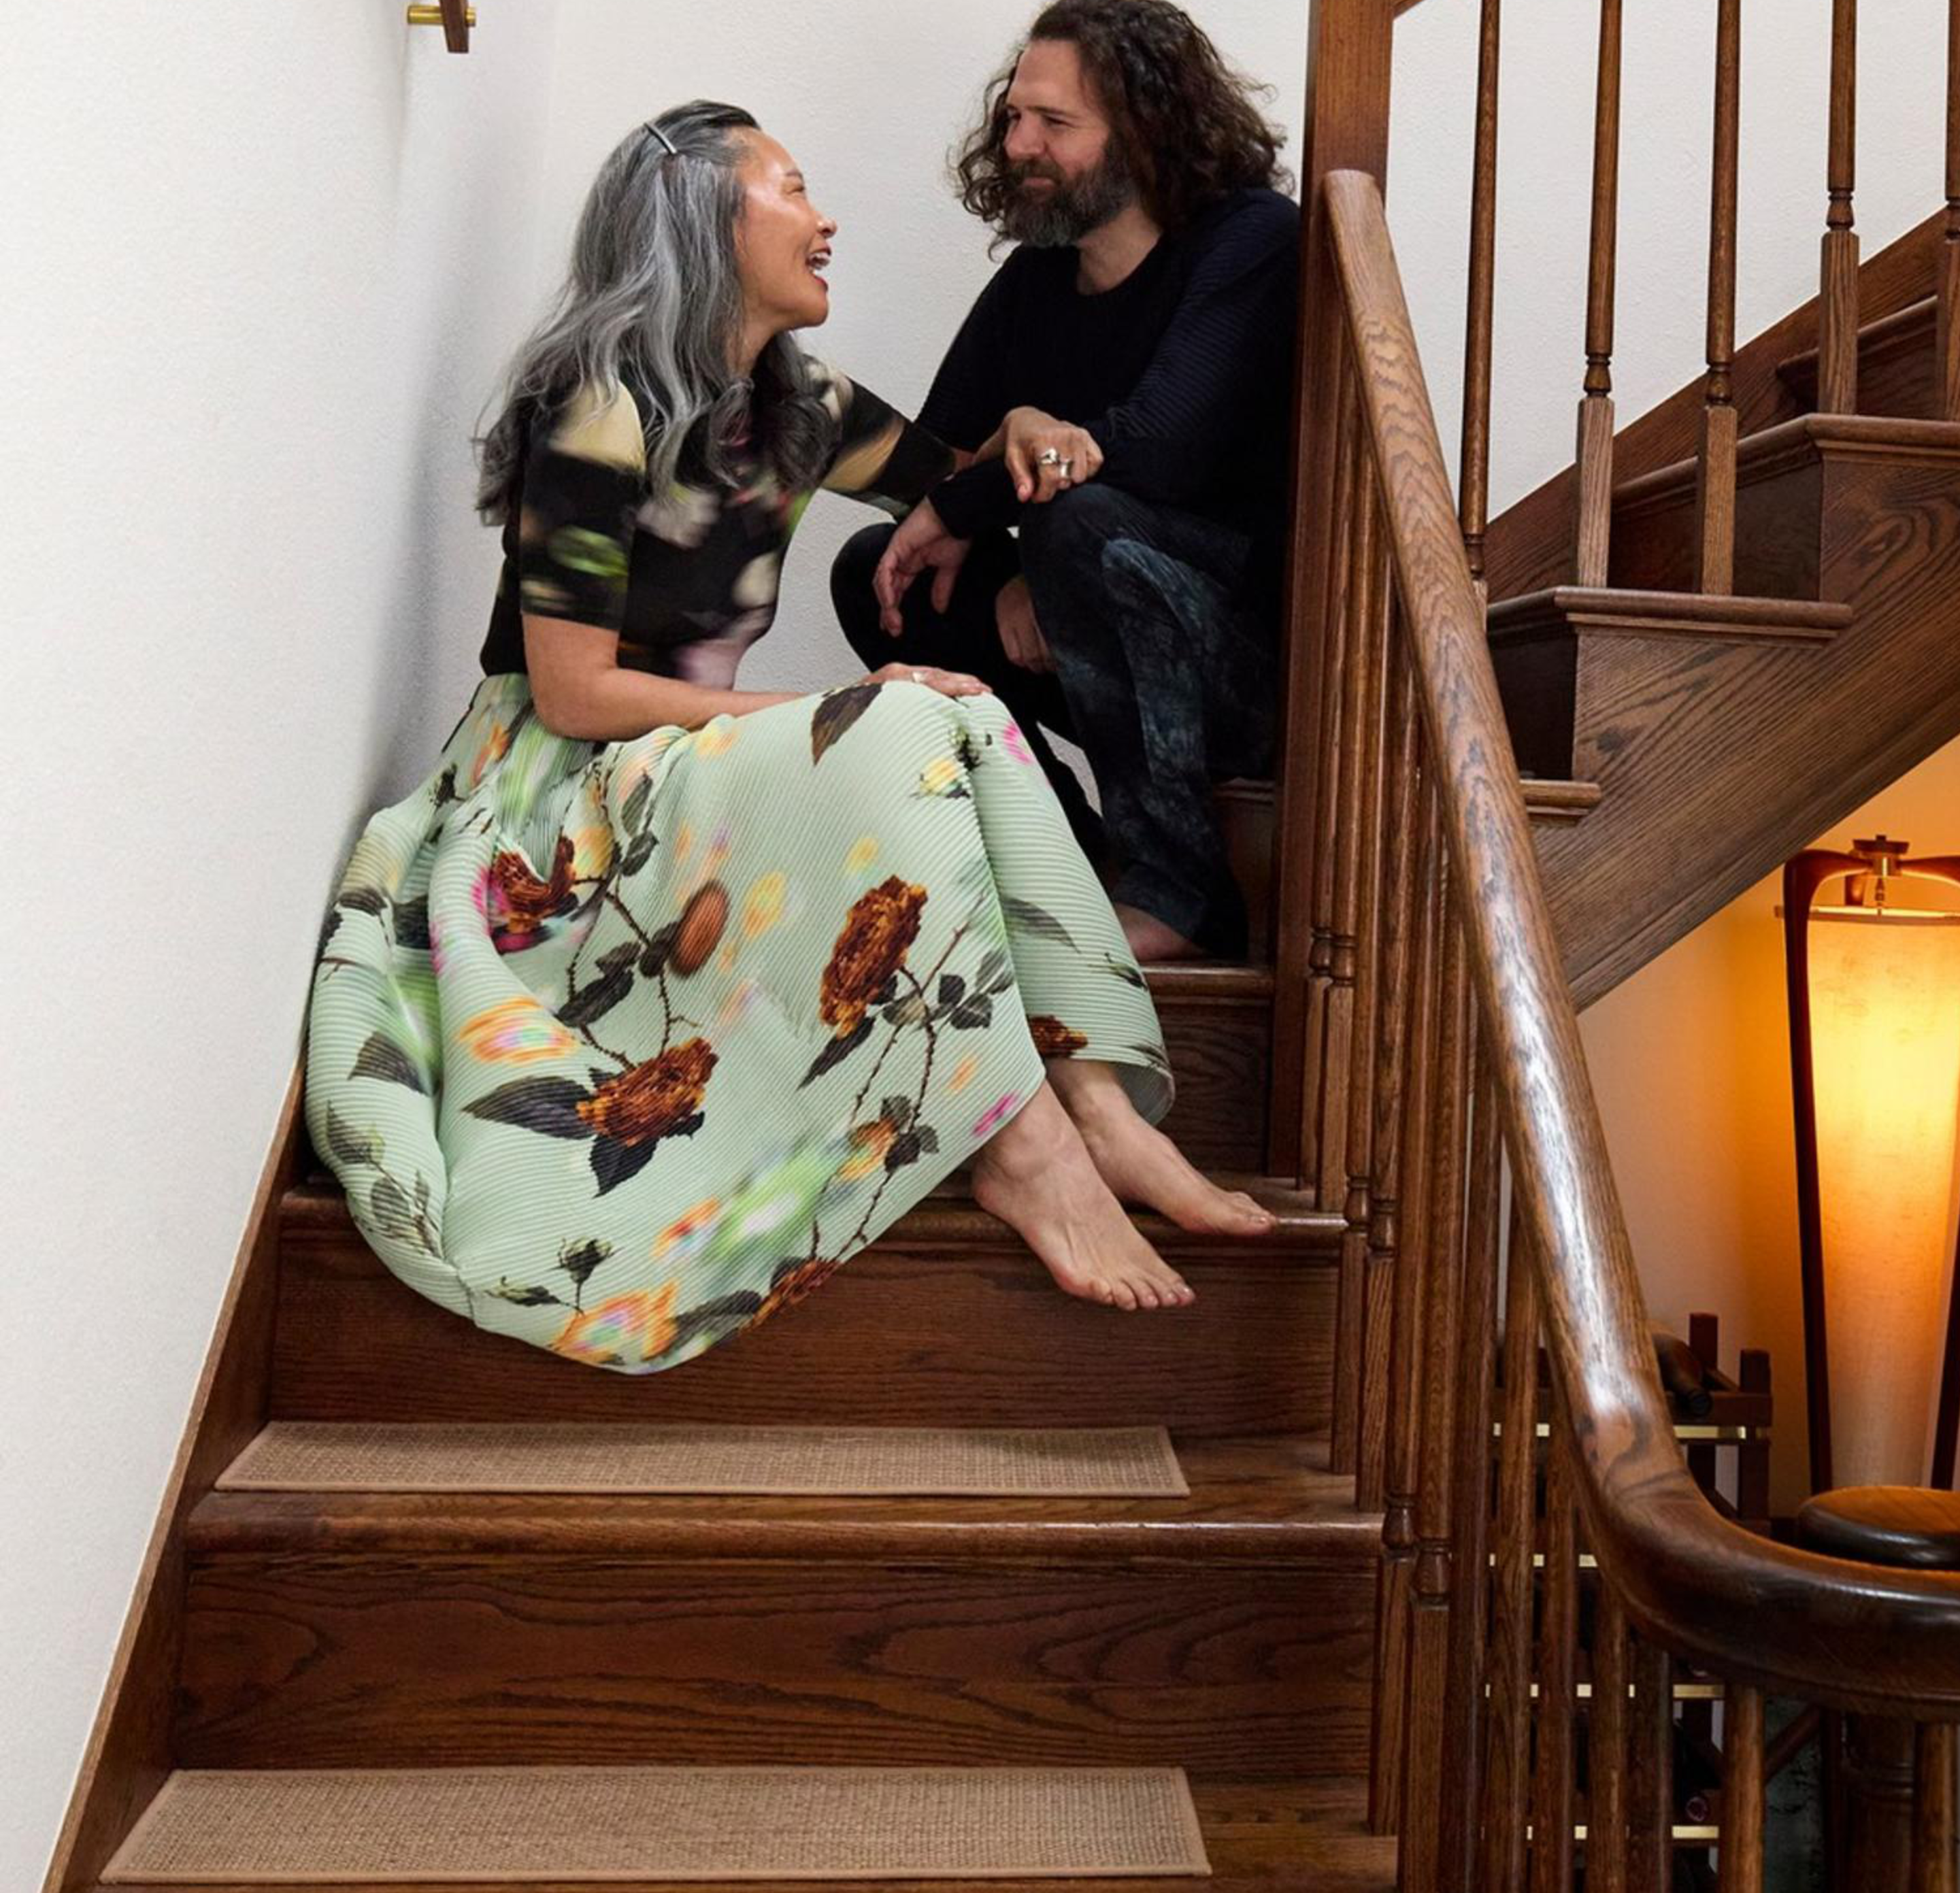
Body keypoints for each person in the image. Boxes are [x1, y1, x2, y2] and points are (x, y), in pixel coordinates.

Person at [305, 101, 1269, 1381]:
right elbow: (579, 694)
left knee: (955, 712)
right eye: (794, 189)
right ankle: (1025, 1147)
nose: (826, 220)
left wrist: (1028, 431)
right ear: (710, 220)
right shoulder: (597, 408)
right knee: (900, 722)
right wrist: (827, 713)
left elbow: (951, 477)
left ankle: (1090, 1097)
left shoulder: (795, 400)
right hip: (558, 788)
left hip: (684, 768)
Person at [831, 0, 1298, 970]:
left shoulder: (1250, 239)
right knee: (880, 572)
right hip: (1089, 596)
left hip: (1239, 654)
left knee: (1076, 523)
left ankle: (1186, 888)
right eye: (1013, 117)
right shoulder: (1038, 279)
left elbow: (1161, 445)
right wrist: (1008, 450)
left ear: (1145, 130)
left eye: (1055, 122)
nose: (1020, 144)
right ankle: (1071, 859)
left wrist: (1012, 524)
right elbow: (941, 466)